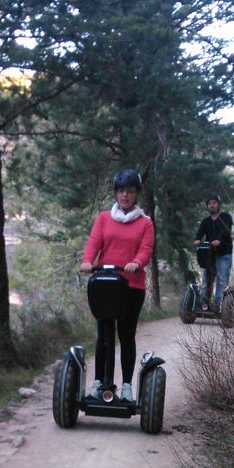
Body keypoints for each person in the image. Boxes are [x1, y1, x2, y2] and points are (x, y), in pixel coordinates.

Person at [80, 168, 154, 401]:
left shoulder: (145, 223)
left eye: (130, 191)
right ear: (116, 193)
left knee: (126, 335)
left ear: (136, 194)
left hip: (132, 286)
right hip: (106, 285)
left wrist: (136, 262)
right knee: (103, 335)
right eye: (121, 191)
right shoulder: (104, 218)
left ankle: (127, 387)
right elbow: (94, 243)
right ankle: (99, 383)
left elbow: (146, 250)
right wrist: (87, 261)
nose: (125, 196)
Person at [193, 194, 233, 309]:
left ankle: (218, 304)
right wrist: (197, 240)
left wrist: (219, 241)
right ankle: (203, 304)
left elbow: (226, 231)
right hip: (209, 255)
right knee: (206, 280)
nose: (212, 205)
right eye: (209, 203)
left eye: (214, 203)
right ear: (207, 206)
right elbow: (200, 233)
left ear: (218, 204)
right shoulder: (206, 221)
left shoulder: (226, 217)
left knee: (221, 280)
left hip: (224, 254)